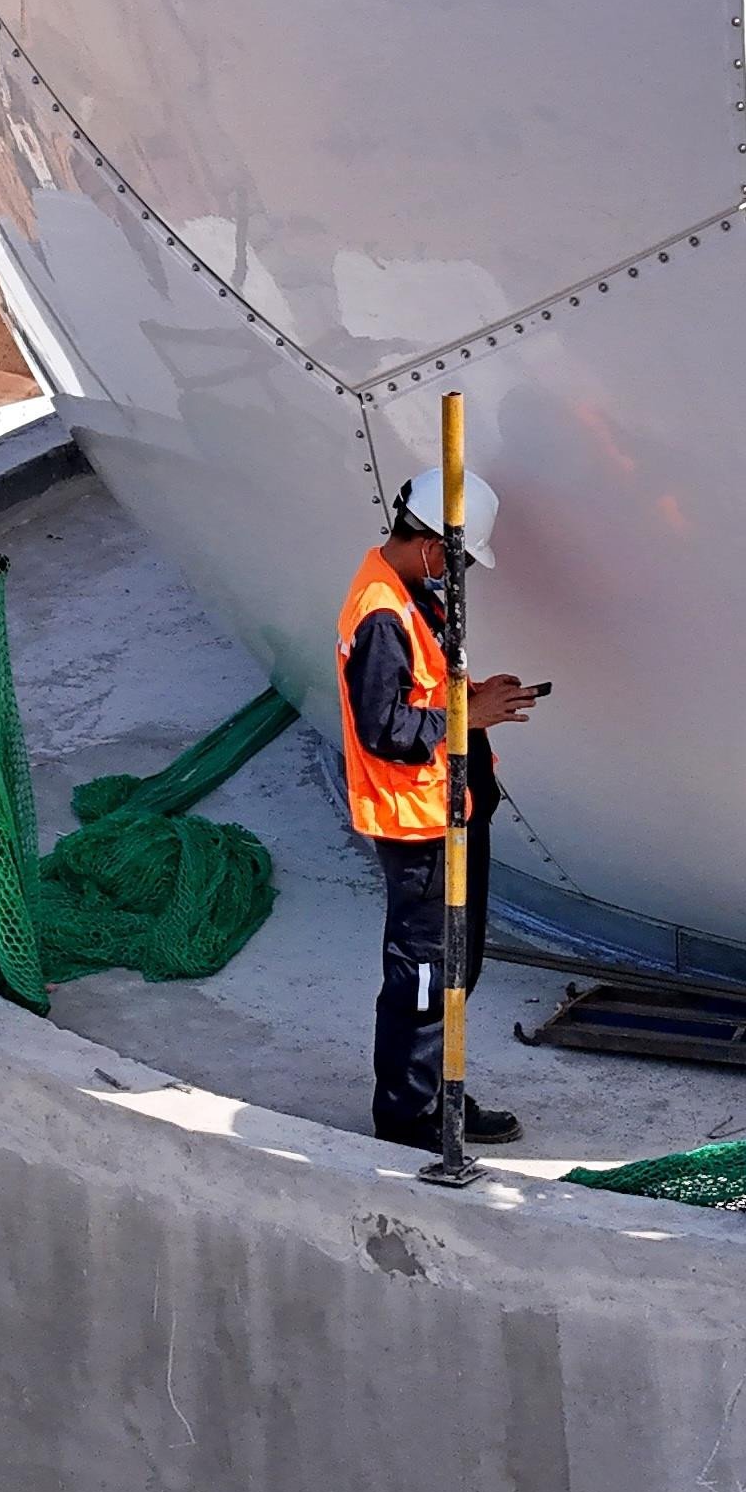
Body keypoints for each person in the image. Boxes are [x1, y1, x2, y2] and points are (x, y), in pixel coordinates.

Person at [337, 471, 547, 1151]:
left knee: (456, 969)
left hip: (450, 812)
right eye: (459, 560)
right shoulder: (382, 614)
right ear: (433, 546)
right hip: (419, 825)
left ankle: (437, 1089)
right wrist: (470, 715)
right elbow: (384, 729)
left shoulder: (408, 595)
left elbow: (420, 692)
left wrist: (476, 694)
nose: (459, 575)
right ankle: (409, 1116)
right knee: (426, 977)